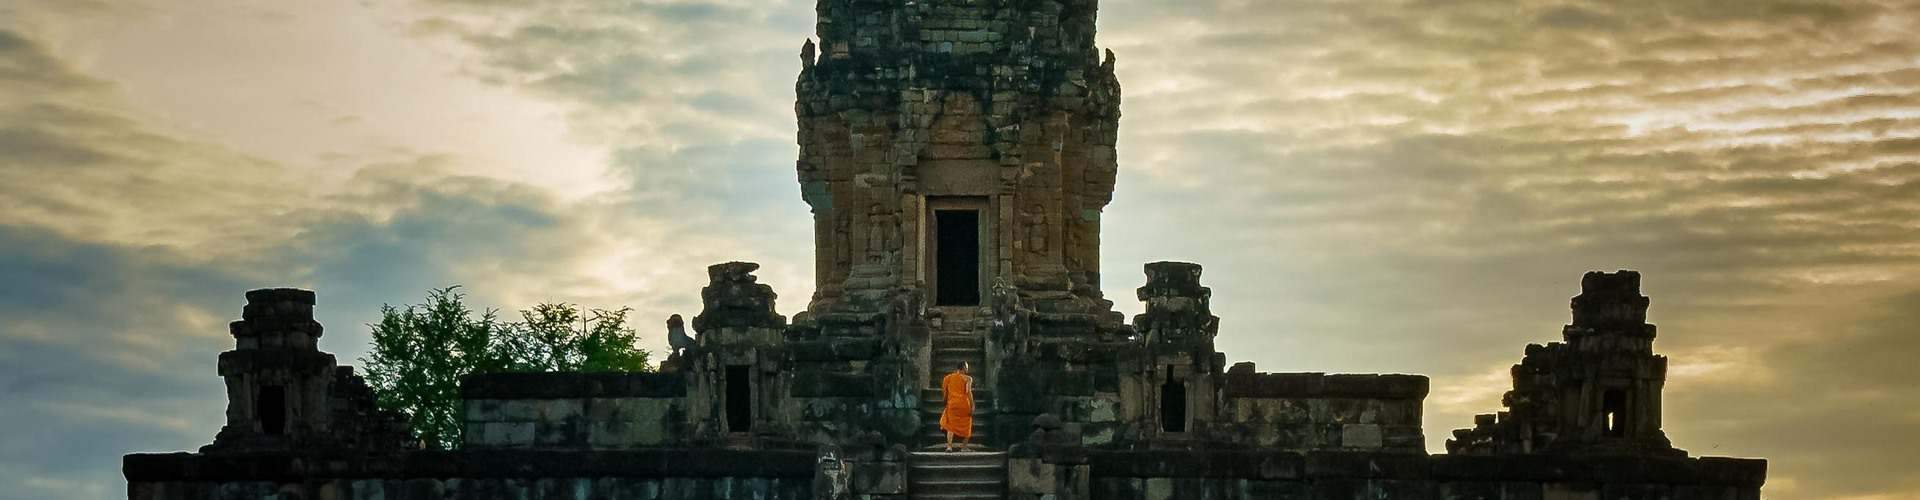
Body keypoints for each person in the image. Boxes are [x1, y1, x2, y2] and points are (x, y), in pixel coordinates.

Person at [940, 361, 975, 452]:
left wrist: (945, 402)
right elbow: (968, 392)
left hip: (952, 404)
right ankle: (964, 447)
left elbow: (945, 393)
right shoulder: (968, 379)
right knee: (967, 424)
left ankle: (949, 446)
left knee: (950, 426)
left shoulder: (948, 378)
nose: (968, 369)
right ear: (963, 367)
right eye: (967, 367)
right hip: (964, 404)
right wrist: (972, 405)